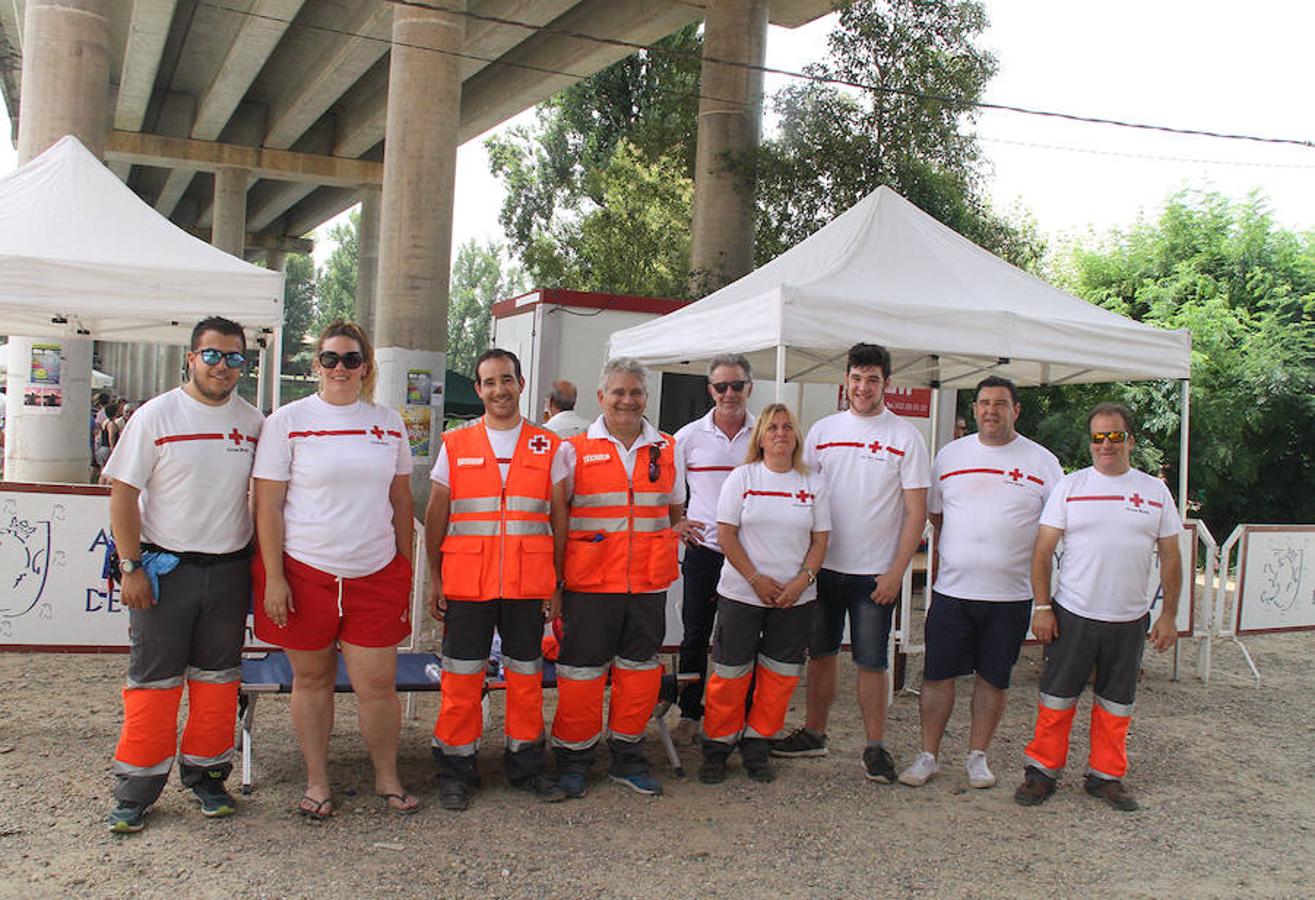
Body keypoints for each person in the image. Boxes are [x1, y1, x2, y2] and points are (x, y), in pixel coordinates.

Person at [252, 320, 419, 818]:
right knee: (312, 681)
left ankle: (387, 778)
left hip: (374, 572)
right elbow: (267, 507)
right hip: (305, 572)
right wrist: (275, 577)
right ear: (316, 365)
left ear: (365, 366)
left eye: (350, 359)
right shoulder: (287, 420)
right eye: (330, 358)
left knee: (378, 686)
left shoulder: (389, 423)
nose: (340, 368)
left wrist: (404, 563)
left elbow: (401, 500)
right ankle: (317, 781)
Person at [103, 317, 263, 834]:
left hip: (229, 571)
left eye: (234, 357)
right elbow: (123, 495)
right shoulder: (155, 415)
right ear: (191, 358)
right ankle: (136, 791)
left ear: (244, 364)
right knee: (154, 683)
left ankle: (206, 776)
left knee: (218, 683)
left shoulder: (254, 421)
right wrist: (130, 566)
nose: (222, 366)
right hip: (163, 571)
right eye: (212, 355)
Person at [772, 342, 929, 784]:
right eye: (856, 378)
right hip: (823, 569)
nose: (863, 388)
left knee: (871, 662)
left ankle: (875, 747)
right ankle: (815, 733)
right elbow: (805, 497)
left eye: (873, 380)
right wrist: (804, 564)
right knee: (821, 654)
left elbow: (916, 511)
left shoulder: (905, 436)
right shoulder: (822, 431)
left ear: (887, 384)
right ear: (846, 380)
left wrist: (898, 571)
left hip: (875, 574)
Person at [1015, 402, 1182, 812]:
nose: (1106, 445)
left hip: (1128, 619)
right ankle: (1042, 771)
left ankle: (1105, 775)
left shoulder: (1154, 491)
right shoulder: (1071, 486)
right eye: (1098, 437)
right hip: (1074, 612)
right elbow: (1042, 551)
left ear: (1130, 440)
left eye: (1114, 436)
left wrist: (1170, 615)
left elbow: (1173, 557)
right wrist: (1042, 607)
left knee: (1117, 702)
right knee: (1057, 697)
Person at [898, 376, 1063, 790]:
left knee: (994, 678)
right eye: (984, 403)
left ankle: (977, 756)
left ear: (1016, 410)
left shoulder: (1043, 462)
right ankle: (928, 755)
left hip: (1010, 596)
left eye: (1001, 403)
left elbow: (1053, 528)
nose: (991, 410)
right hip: (953, 592)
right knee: (937, 676)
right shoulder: (950, 456)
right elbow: (936, 516)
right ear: (974, 410)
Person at [425, 348, 566, 810]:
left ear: (521, 384)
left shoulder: (550, 446)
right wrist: (435, 580)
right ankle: (455, 769)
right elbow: (437, 513)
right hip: (468, 583)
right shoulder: (457, 444)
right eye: (488, 382)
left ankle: (526, 767)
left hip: (528, 585)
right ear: (479, 389)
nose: (498, 390)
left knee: (526, 679)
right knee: (461, 680)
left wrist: (557, 584)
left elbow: (559, 518)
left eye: (506, 380)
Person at [548, 357, 686, 797]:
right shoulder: (572, 450)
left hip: (647, 583)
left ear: (646, 397)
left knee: (640, 672)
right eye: (619, 392)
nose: (628, 400)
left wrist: (669, 535)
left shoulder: (666, 448)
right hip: (590, 583)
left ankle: (627, 756)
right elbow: (559, 517)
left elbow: (674, 509)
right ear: (600, 397)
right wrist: (556, 583)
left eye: (636, 392)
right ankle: (574, 759)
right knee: (580, 674)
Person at [699, 403, 829, 785]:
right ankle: (718, 747)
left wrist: (800, 582)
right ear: (761, 437)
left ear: (797, 437)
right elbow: (725, 535)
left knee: (779, 675)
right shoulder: (742, 478)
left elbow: (821, 541)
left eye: (788, 427)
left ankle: (758, 744)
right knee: (730, 672)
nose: (780, 433)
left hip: (795, 599)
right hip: (742, 593)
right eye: (772, 427)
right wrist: (755, 579)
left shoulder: (813, 483)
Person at [670, 354, 756, 745]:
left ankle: (738, 714)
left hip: (751, 553)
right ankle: (690, 712)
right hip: (704, 551)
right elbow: (667, 490)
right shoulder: (688, 436)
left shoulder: (764, 433)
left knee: (740, 638)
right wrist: (678, 521)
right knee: (695, 633)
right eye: (721, 386)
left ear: (749, 388)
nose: (729, 394)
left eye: (736, 385)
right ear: (710, 391)